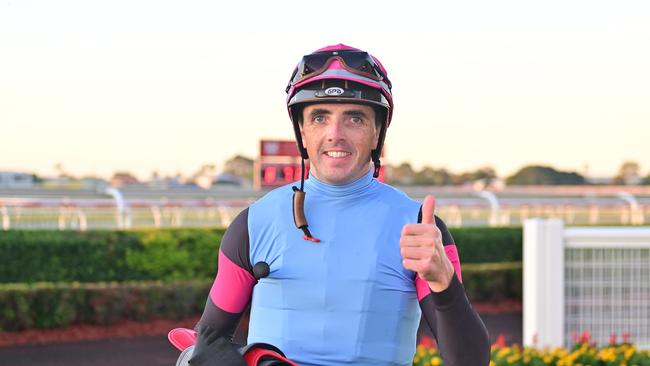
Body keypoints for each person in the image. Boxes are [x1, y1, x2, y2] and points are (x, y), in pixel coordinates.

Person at [189, 44, 490, 365]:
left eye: (355, 119)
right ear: (302, 132)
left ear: (377, 134)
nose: (335, 134)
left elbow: (471, 360)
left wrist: (445, 283)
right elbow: (204, 343)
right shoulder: (254, 222)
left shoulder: (420, 227)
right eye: (320, 118)